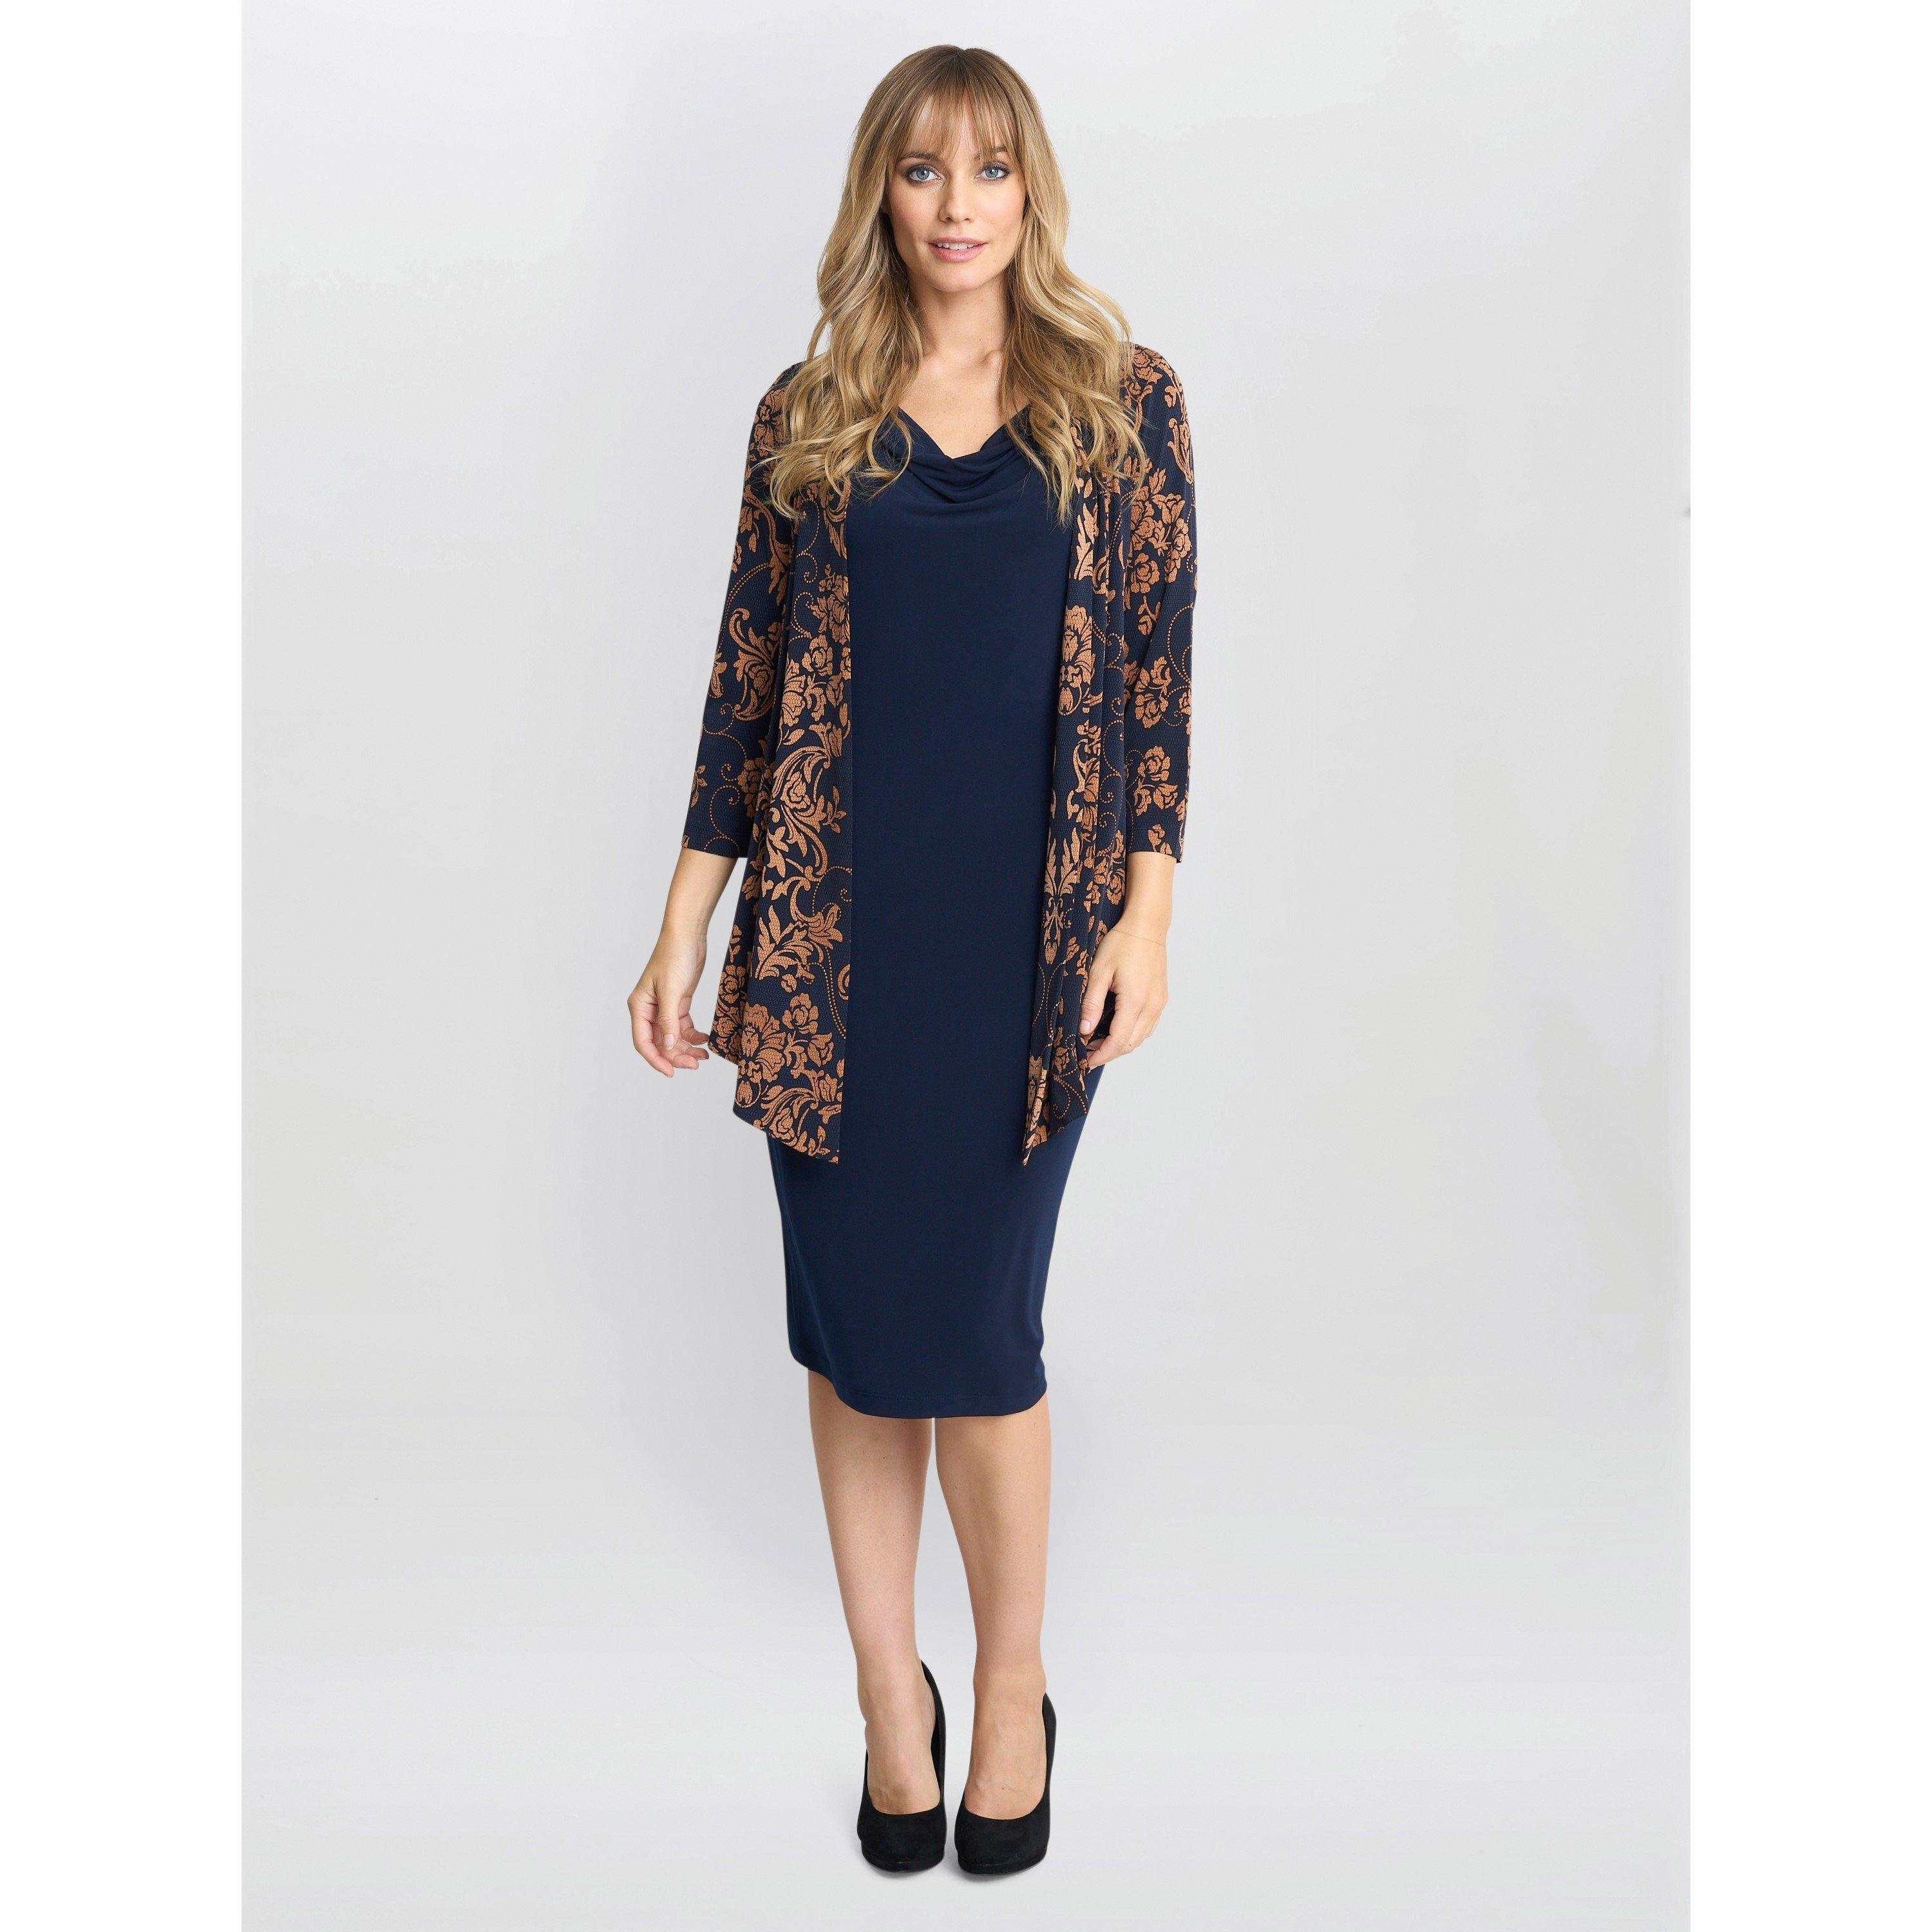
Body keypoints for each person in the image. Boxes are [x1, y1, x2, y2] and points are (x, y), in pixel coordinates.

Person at [628, 44, 1195, 1876]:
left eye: (993, 168)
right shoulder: (807, 415)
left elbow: (1162, 680)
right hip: (831, 955)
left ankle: (1011, 1692)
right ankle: (893, 1701)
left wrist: (1149, 912)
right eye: (925, 169)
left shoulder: (1124, 402)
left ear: (1035, 191)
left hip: (1028, 956)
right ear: (882, 189)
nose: (960, 206)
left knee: (983, 1339)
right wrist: (683, 922)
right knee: (866, 1343)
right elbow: (745, 683)